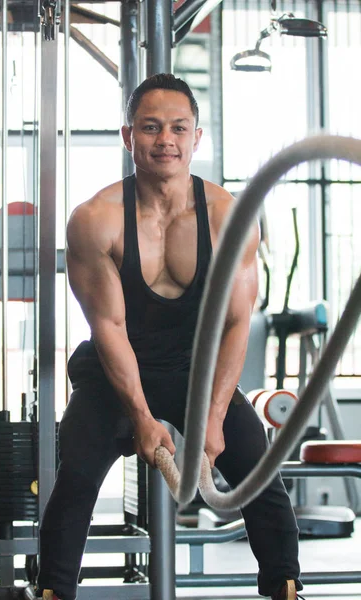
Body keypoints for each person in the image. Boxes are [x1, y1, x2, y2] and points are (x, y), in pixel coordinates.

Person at [36, 73, 304, 600]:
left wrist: (215, 415)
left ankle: (287, 588)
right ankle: (53, 591)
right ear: (128, 136)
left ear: (196, 138)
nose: (166, 140)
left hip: (194, 370)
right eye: (150, 128)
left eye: (178, 128)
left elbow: (234, 322)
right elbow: (108, 327)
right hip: (114, 372)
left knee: (257, 470)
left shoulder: (230, 217)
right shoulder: (96, 220)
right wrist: (139, 416)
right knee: (77, 477)